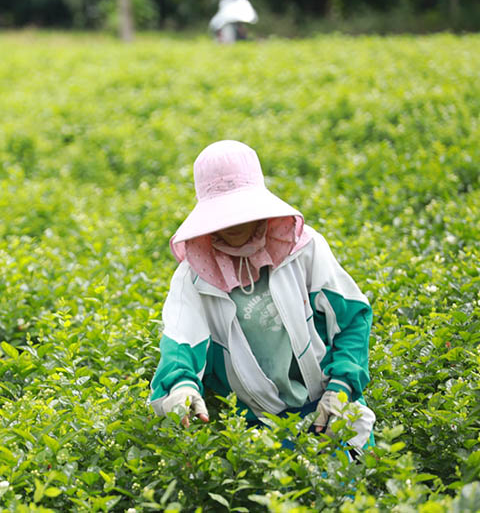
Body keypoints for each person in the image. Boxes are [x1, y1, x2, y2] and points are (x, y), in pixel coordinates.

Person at [149, 140, 375, 452]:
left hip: (330, 406)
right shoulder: (194, 276)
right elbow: (180, 343)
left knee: (355, 491)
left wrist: (341, 387)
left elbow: (351, 317)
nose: (234, 223)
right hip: (259, 425)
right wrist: (181, 387)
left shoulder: (305, 249)